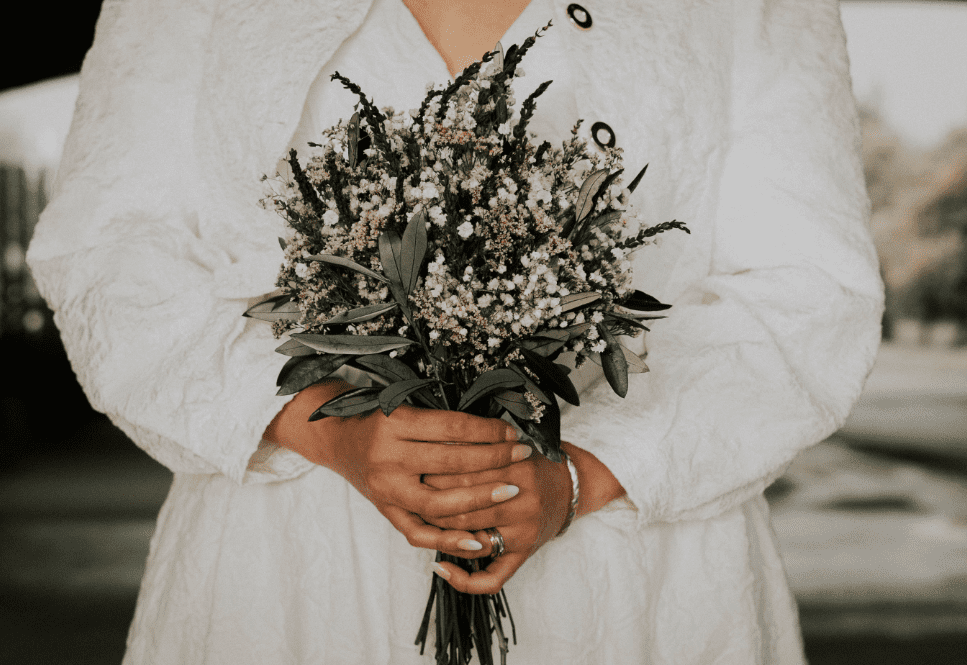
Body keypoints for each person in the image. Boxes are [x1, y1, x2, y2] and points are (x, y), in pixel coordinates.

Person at [26, 0, 884, 663]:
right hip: (283, 575)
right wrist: (324, 426)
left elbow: (805, 287)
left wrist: (587, 473)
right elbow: (111, 250)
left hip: (634, 585)